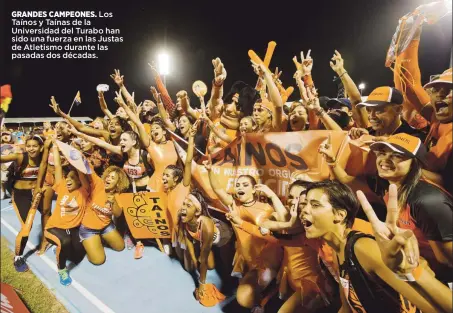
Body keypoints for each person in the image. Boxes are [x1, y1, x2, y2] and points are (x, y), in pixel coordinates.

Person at [299, 179, 452, 313]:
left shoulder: (363, 248)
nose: (304, 210)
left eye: (315, 205)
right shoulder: (337, 249)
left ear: (340, 215)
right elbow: (347, 308)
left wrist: (411, 272)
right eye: (305, 204)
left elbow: (435, 309)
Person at [319, 132, 453, 280]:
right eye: (382, 153)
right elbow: (347, 181)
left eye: (397, 155)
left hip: (436, 280)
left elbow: (446, 260)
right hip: (413, 271)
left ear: (415, 164)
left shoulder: (427, 202)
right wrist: (331, 161)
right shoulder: (388, 184)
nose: (385, 160)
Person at [227, 180, 334, 313]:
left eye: (299, 199)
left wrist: (272, 197)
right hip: (282, 272)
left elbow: (290, 228)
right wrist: (286, 224)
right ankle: (266, 298)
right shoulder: (281, 215)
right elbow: (266, 226)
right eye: (291, 197)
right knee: (245, 297)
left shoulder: (311, 225)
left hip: (309, 283)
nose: (294, 202)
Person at [205, 165, 282, 310]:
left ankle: (266, 299)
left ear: (254, 190)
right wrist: (209, 171)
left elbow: (275, 237)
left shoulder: (267, 208)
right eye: (237, 185)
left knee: (246, 298)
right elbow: (218, 190)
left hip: (267, 260)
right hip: (246, 258)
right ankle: (260, 300)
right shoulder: (234, 206)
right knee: (246, 296)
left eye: (245, 185)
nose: (240, 187)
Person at [0, 135, 49, 272]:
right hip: (21, 195)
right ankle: (18, 256)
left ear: (40, 147)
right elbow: (3, 158)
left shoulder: (44, 157)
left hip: (36, 193)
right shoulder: (21, 157)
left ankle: (45, 241)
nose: (31, 149)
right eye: (29, 146)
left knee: (47, 214)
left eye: (35, 146)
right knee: (26, 227)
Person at [175, 189, 232, 307]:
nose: (183, 208)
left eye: (188, 205)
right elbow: (188, 240)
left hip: (224, 238)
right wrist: (194, 261)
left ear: (197, 212)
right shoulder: (184, 219)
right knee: (210, 266)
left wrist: (201, 283)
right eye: (184, 204)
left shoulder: (206, 225)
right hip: (206, 240)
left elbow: (204, 258)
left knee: (226, 266)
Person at [44, 141, 89, 286]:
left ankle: (61, 250)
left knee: (78, 256)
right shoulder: (62, 186)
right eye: (67, 177)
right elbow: (57, 166)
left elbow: (82, 172)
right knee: (64, 242)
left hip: (73, 230)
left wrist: (77, 155)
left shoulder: (84, 191)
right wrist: (55, 146)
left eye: (73, 178)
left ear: (80, 181)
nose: (69, 179)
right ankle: (62, 270)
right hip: (53, 228)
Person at [79, 167, 128, 265]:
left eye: (112, 178)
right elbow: (89, 170)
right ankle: (86, 244)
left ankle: (98, 240)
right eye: (108, 176)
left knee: (120, 247)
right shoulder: (98, 185)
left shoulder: (118, 195)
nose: (108, 179)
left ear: (118, 183)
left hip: (106, 226)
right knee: (98, 260)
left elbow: (118, 214)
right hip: (89, 228)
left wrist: (113, 201)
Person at [349, 86, 427, 141]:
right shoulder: (366, 133)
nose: (371, 116)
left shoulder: (414, 138)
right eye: (368, 110)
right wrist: (358, 135)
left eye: (379, 110)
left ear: (398, 110)